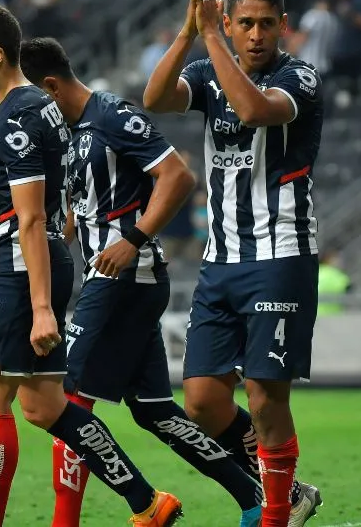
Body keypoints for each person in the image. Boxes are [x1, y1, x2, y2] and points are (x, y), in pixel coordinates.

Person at [0, 3, 182, 527]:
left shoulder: (16, 119)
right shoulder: (40, 108)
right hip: (31, 263)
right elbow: (12, 213)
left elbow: (29, 220)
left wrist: (42, 307)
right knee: (46, 406)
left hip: (23, 272)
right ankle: (146, 501)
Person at [19, 37, 265, 527]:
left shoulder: (112, 115)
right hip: (110, 278)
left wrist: (133, 237)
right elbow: (80, 214)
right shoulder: (70, 134)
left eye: (30, 100)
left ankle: (121, 511)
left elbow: (177, 175)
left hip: (126, 275)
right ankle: (259, 498)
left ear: (49, 88)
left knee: (62, 399)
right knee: (155, 409)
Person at [143, 0, 323, 526]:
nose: (256, 34)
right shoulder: (208, 65)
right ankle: (290, 493)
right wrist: (188, 32)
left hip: (281, 254)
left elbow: (253, 110)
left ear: (283, 27)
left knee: (268, 398)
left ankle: (273, 516)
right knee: (200, 400)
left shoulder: (301, 78)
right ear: (229, 20)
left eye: (267, 24)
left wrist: (213, 39)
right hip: (221, 259)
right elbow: (155, 98)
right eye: (244, 23)